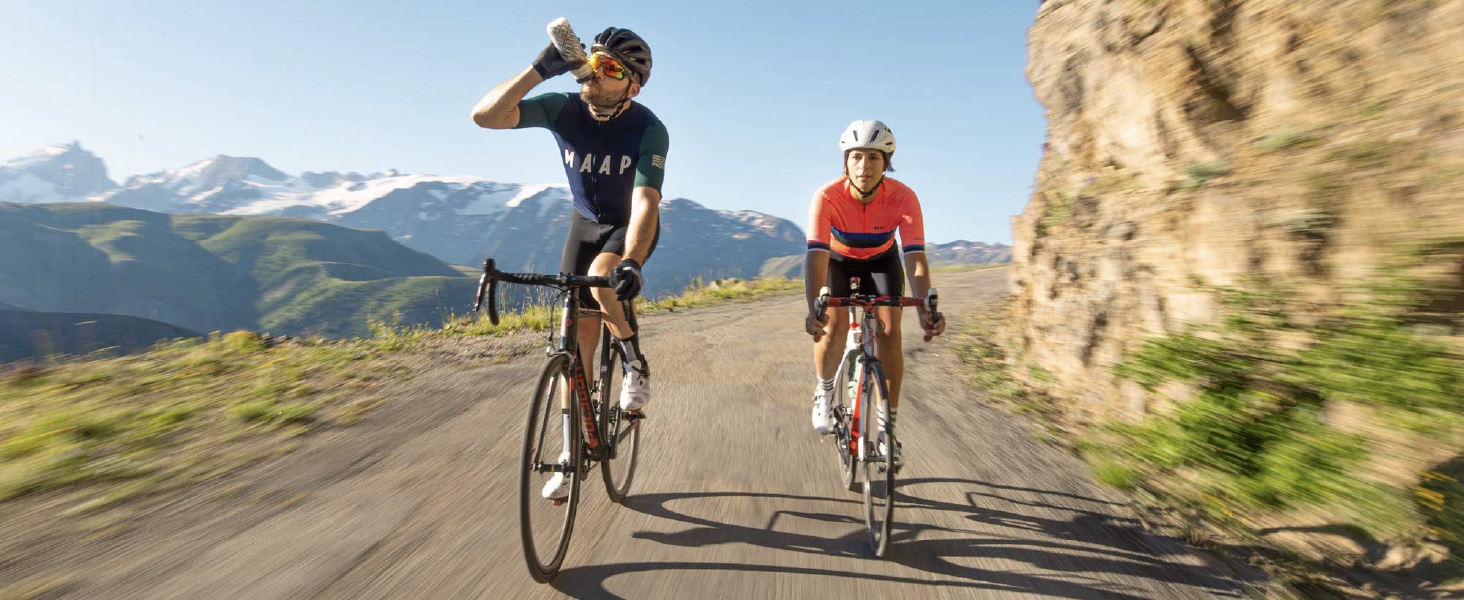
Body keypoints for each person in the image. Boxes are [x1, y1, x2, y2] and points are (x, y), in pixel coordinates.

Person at [472, 26, 666, 499]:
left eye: (612, 68)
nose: (597, 73)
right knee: (572, 344)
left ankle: (634, 361)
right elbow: (485, 116)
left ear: (632, 85)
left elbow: (645, 205)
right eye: (595, 61)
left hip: (628, 227)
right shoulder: (564, 107)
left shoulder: (648, 127)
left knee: (602, 279)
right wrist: (539, 69)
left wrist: (633, 262)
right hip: (582, 225)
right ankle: (567, 452)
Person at [803, 120, 945, 467]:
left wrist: (925, 308)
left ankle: (886, 427)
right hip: (838, 261)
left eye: (873, 158)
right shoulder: (827, 197)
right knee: (833, 327)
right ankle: (824, 391)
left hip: (882, 261)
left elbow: (914, 257)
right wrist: (814, 308)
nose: (864, 166)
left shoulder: (903, 197)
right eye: (856, 158)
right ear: (845, 162)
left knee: (891, 333)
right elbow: (816, 255)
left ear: (886, 164)